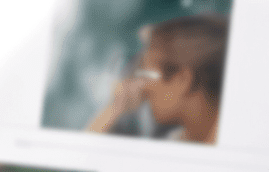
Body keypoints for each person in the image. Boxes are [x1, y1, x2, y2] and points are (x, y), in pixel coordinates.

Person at [87, 13, 228, 144]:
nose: (143, 86)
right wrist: (115, 108)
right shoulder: (178, 141)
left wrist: (113, 110)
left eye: (147, 75)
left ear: (181, 81)